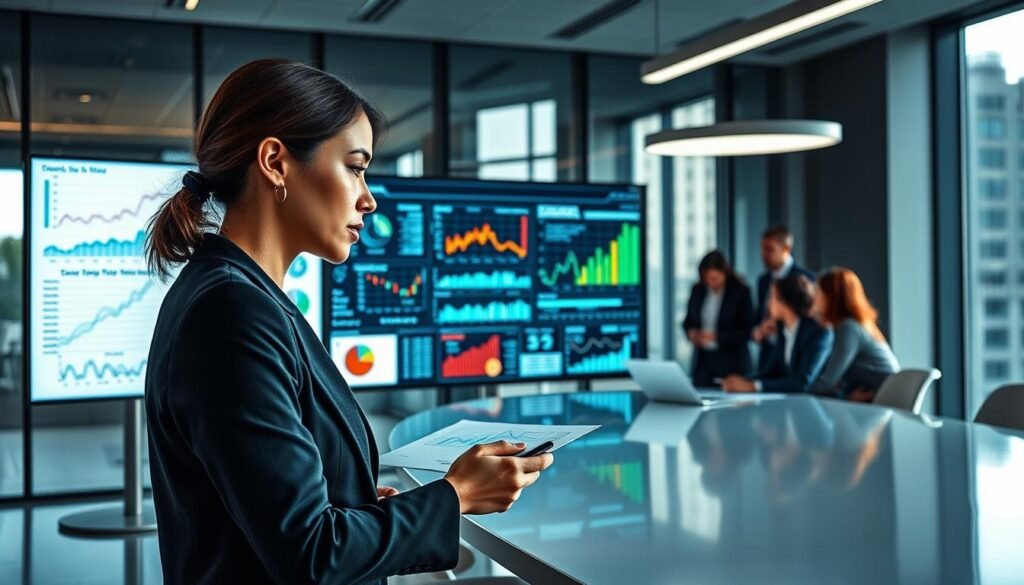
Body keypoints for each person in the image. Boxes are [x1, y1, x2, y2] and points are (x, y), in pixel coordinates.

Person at [143, 60, 554, 585]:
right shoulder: (231, 311)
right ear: (275, 162)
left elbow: (271, 510)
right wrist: (457, 495)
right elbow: (311, 554)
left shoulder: (238, 294)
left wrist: (355, 504)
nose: (369, 198)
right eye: (355, 167)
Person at [722, 273, 832, 393]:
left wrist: (753, 386)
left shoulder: (819, 331)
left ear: (785, 302)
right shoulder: (783, 328)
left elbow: (803, 382)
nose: (768, 304)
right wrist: (741, 381)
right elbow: (772, 372)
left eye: (771, 297)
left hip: (820, 401)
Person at [810, 267, 900, 401]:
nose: (815, 299)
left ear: (832, 297)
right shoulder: (855, 324)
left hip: (881, 400)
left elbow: (826, 384)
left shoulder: (849, 328)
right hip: (877, 397)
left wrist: (798, 390)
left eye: (819, 293)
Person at [682, 250, 755, 386]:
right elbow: (687, 322)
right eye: (707, 279)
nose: (711, 283)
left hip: (733, 363)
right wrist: (692, 334)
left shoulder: (741, 292)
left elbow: (747, 330)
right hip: (703, 363)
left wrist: (716, 337)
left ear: (725, 273)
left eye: (715, 278)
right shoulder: (698, 290)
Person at [752, 226, 815, 371]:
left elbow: (811, 317)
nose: (764, 254)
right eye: (762, 248)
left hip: (797, 355)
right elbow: (760, 314)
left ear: (786, 249)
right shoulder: (763, 281)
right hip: (769, 355)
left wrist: (782, 325)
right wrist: (758, 331)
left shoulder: (806, 279)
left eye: (770, 249)